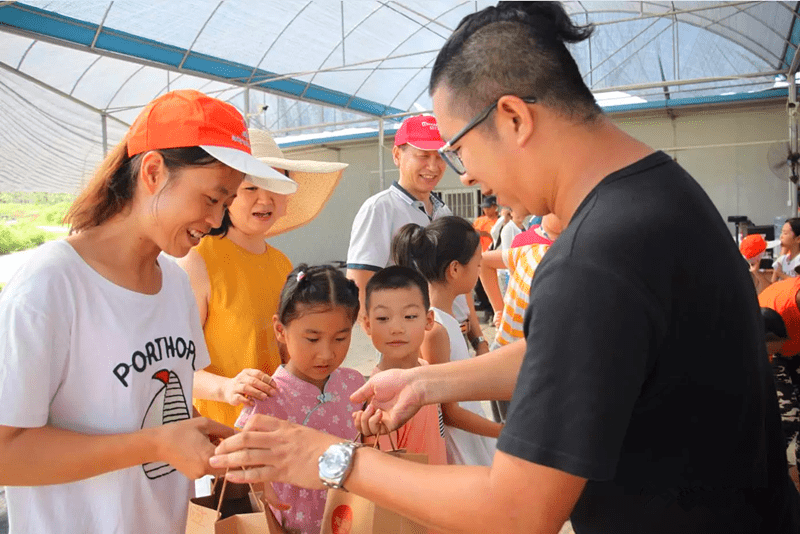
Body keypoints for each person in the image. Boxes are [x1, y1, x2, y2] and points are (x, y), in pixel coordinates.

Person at [210, 3, 800, 533]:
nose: (462, 175)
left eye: (458, 148)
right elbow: (579, 353)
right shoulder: (663, 193)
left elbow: (515, 511)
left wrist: (330, 457)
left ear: (514, 118)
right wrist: (425, 381)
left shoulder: (591, 260)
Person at [0, 89, 295, 533]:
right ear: (154, 172)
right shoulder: (53, 284)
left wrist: (229, 451)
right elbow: (7, 454)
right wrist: (155, 444)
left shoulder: (174, 284)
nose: (216, 221)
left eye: (224, 202)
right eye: (212, 198)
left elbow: (154, 410)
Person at [179, 129, 347, 428]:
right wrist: (226, 388)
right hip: (221, 439)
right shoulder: (199, 260)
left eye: (274, 185)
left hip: (280, 435)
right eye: (251, 187)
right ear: (227, 194)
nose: (265, 199)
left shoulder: (282, 264)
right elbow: (174, 366)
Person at [232, 264, 365, 534]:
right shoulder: (267, 396)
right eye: (312, 339)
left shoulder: (354, 384)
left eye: (341, 337)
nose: (326, 354)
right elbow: (245, 473)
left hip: (354, 521)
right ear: (280, 330)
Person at [345, 114, 488, 355]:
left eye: (439, 156)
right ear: (397, 155)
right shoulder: (380, 208)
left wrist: (477, 339)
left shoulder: (443, 210)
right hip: (417, 345)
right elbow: (359, 284)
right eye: (423, 156)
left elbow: (460, 281)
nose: (433, 166)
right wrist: (396, 349)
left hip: (455, 333)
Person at [392, 218, 500, 466]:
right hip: (459, 446)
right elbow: (449, 413)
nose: (479, 270)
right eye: (477, 264)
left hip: (469, 434)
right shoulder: (435, 329)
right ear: (454, 269)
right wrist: (503, 432)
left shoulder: (445, 320)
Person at [360, 265, 448, 465]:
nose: (397, 329)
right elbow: (386, 470)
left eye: (409, 316)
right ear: (367, 325)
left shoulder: (426, 369)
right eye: (383, 318)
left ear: (428, 320)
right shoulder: (379, 396)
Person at [480, 213, 563, 422]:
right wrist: (500, 310)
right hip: (515, 360)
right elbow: (483, 263)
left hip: (525, 362)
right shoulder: (532, 249)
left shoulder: (560, 258)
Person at [773, 218, 800, 282]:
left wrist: (781, 274)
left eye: (785, 233)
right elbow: (772, 283)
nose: (781, 236)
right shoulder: (783, 259)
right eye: (781, 233)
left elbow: (797, 283)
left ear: (798, 239)